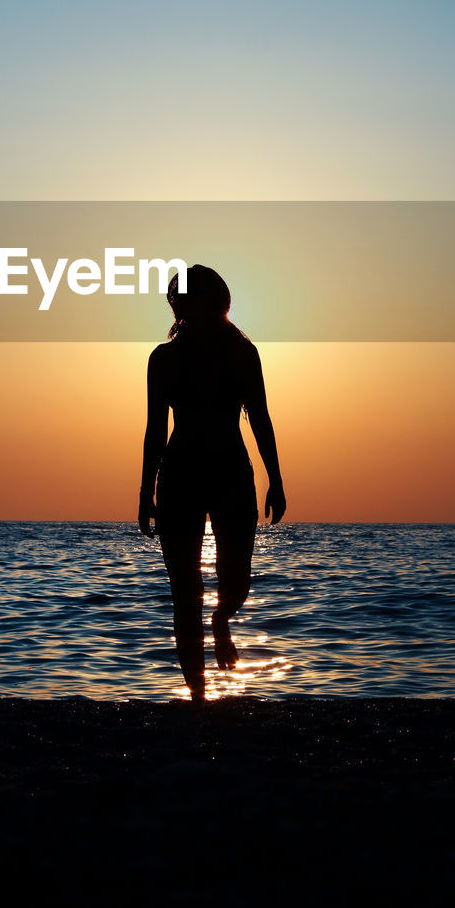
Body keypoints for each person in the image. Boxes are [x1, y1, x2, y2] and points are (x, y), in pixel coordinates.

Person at [138, 265, 286, 701]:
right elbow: (154, 430)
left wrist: (276, 479)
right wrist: (145, 491)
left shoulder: (242, 352)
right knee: (185, 591)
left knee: (237, 579)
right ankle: (198, 695)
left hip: (231, 472)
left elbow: (260, 417)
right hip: (180, 475)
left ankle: (222, 620)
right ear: (181, 307)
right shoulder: (163, 359)